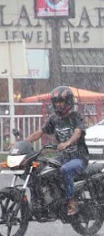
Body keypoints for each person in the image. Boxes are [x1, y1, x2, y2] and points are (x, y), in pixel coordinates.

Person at [25, 86, 89, 216]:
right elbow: (40, 132)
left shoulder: (76, 117)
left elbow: (78, 132)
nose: (58, 105)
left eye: (61, 101)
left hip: (79, 157)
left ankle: (71, 202)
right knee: (41, 170)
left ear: (68, 102)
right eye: (56, 102)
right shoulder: (54, 119)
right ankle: (48, 201)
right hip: (63, 156)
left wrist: (68, 142)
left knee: (66, 169)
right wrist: (24, 142)